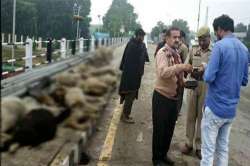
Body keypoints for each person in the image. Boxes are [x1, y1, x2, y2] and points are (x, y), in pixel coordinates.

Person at [200, 15, 249, 166]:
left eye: (216, 32)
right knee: (222, 149)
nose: (216, 35)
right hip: (230, 111)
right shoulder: (244, 49)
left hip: (215, 108)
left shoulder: (219, 47)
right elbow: (244, 81)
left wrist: (206, 67)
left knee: (207, 152)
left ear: (220, 29)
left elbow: (208, 77)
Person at [152, 27, 193, 166]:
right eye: (174, 37)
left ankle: (163, 155)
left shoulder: (177, 54)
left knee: (169, 130)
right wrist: (180, 67)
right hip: (162, 98)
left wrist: (185, 83)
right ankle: (157, 159)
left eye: (179, 37)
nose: (177, 40)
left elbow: (178, 76)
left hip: (174, 99)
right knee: (160, 130)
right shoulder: (162, 53)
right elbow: (163, 73)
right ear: (167, 38)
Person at [180, 26, 212, 159]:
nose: (201, 43)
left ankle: (199, 147)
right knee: (190, 116)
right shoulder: (193, 49)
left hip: (206, 86)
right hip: (193, 84)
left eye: (204, 40)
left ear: (209, 38)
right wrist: (189, 71)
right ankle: (189, 143)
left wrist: (206, 69)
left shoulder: (215, 52)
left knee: (202, 118)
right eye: (199, 40)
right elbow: (187, 64)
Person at [119, 28, 149, 124]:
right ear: (137, 36)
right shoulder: (132, 45)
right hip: (129, 76)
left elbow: (145, 57)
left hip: (136, 76)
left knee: (131, 96)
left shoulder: (140, 45)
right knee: (129, 96)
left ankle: (125, 114)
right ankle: (125, 116)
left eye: (143, 36)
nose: (143, 38)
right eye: (141, 36)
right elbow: (127, 61)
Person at [176, 30, 189, 115]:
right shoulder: (176, 46)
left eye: (179, 37)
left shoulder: (184, 48)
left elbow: (186, 63)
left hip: (180, 75)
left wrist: (184, 76)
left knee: (179, 94)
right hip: (174, 74)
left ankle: (176, 112)